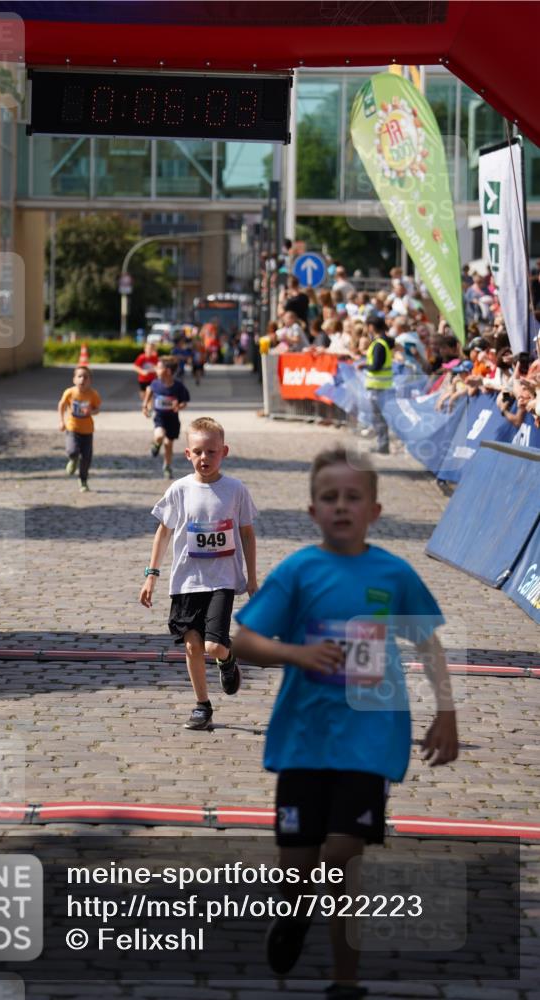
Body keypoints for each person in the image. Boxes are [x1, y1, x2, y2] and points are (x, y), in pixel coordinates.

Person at [232, 446, 458, 993]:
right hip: (305, 739)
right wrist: (297, 655)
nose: (341, 506)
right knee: (297, 866)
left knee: (341, 856)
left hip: (367, 739)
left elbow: (428, 643)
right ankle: (291, 915)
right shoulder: (300, 571)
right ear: (313, 511)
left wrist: (446, 712)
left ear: (374, 511)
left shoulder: (394, 574)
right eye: (329, 498)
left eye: (352, 498)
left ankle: (345, 979)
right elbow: (241, 639)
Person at [140, 416, 258, 730]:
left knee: (213, 646)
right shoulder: (179, 490)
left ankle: (227, 659)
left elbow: (247, 534)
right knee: (192, 646)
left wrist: (252, 577)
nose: (204, 458)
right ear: (187, 455)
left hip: (222, 579)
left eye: (211, 452)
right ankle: (202, 705)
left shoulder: (235, 490)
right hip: (186, 580)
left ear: (225, 452)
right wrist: (152, 574)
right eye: (198, 452)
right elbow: (163, 533)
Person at [142, 355, 190, 479]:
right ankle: (156, 445)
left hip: (173, 419)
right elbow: (149, 390)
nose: (155, 370)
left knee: (168, 444)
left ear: (168, 371)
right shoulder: (156, 383)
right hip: (160, 417)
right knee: (159, 435)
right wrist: (145, 405)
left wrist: (178, 406)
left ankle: (167, 466)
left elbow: (185, 401)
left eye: (158, 368)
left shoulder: (178, 386)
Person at [57, 365, 102, 493]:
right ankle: (73, 459)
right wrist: (61, 420)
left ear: (90, 381)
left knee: (86, 458)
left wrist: (92, 411)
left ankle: (83, 480)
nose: (82, 379)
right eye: (79, 376)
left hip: (88, 431)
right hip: (72, 427)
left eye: (85, 377)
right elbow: (61, 405)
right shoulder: (70, 392)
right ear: (74, 379)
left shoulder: (93, 394)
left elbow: (97, 408)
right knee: (72, 450)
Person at [363, 316, 395, 454]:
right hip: (381, 386)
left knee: (379, 418)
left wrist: (365, 366)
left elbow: (376, 366)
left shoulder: (379, 344)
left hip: (377, 387)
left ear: (371, 327)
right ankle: (382, 444)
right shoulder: (382, 343)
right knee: (380, 418)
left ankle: (383, 445)